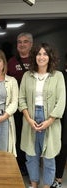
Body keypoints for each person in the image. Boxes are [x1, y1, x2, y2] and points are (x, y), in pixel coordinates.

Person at [19, 43, 66, 188]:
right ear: (35, 57)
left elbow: (61, 101)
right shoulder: (27, 75)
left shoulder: (57, 76)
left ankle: (46, 186)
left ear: (50, 57)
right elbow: (22, 99)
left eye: (45, 54)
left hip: (50, 118)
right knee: (31, 155)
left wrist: (50, 121)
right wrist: (28, 118)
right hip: (31, 118)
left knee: (49, 156)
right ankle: (34, 183)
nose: (42, 57)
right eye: (39, 54)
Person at [7, 32, 33, 176]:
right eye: (19, 42)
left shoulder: (37, 60)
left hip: (33, 106)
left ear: (31, 44)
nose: (22, 44)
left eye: (25, 41)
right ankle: (20, 165)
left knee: (31, 136)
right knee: (17, 135)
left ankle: (31, 166)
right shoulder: (11, 61)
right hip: (16, 106)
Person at [51, 54, 67, 188]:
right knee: (61, 144)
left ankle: (58, 177)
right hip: (60, 114)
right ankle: (57, 177)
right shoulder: (59, 75)